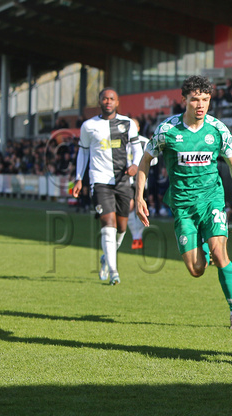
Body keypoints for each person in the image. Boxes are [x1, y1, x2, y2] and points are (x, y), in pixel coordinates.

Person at [135, 75, 232, 331]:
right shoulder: (168, 130)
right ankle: (203, 251)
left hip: (212, 200)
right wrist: (138, 195)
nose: (200, 105)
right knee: (196, 269)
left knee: (221, 254)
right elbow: (145, 161)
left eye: (205, 99)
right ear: (183, 99)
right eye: (195, 99)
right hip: (183, 205)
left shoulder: (218, 129)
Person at [72, 87, 143, 285]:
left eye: (112, 98)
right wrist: (79, 178)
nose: (108, 101)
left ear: (117, 102)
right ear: (100, 101)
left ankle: (106, 258)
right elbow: (83, 153)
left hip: (122, 181)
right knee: (108, 223)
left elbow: (137, 149)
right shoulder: (88, 126)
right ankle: (113, 271)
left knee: (121, 227)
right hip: (100, 180)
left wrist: (135, 165)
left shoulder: (128, 124)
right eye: (105, 98)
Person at [127, 118, 158, 250]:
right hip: (127, 180)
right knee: (129, 207)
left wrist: (141, 166)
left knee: (141, 208)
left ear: (138, 128)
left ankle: (138, 235)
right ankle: (135, 236)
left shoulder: (145, 142)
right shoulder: (124, 142)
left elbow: (154, 160)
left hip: (142, 181)